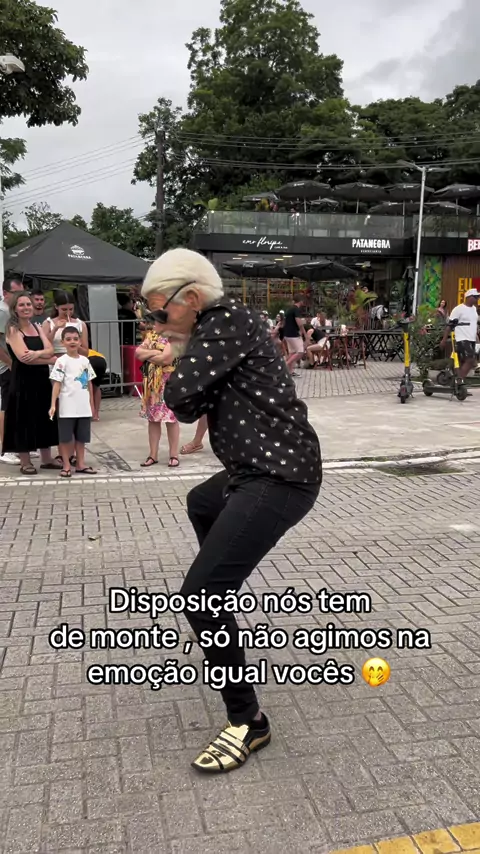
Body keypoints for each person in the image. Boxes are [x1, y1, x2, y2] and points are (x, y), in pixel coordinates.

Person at [141, 248, 321, 774]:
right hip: (252, 471)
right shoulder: (217, 330)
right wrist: (181, 353)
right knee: (201, 501)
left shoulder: (226, 321)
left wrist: (175, 358)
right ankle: (220, 585)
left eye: (161, 312)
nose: (157, 323)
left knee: (199, 598)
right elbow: (189, 404)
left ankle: (249, 721)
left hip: (280, 475)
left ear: (193, 298)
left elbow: (181, 398)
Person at [2, 293, 60, 475]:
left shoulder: (37, 327)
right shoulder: (13, 330)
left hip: (41, 379)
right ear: (15, 309)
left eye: (28, 304)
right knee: (23, 418)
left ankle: (47, 459)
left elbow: (49, 348)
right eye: (22, 305)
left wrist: (37, 354)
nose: (26, 307)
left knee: (44, 416)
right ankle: (25, 461)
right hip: (22, 380)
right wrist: (49, 360)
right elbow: (23, 358)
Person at [49, 327, 97, 477]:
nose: (72, 342)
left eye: (75, 339)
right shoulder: (61, 361)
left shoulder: (85, 361)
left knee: (82, 437)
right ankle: (66, 465)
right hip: (67, 406)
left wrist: (92, 404)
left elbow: (89, 383)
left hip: (83, 406)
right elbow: (56, 383)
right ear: (62, 342)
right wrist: (53, 404)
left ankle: (80, 463)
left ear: (80, 341)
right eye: (68, 339)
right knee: (65, 438)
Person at [135, 328, 180, 468]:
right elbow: (138, 353)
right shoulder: (152, 335)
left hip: (170, 383)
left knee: (171, 419)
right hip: (152, 384)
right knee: (153, 419)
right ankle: (153, 455)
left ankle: (174, 455)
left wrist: (148, 354)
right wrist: (156, 352)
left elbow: (166, 359)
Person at [0, 278, 25, 465]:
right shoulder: (3, 312)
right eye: (16, 293)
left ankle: (16, 446)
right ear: (5, 293)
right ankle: (5, 448)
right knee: (7, 406)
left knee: (15, 405)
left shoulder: (10, 312)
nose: (20, 297)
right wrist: (9, 363)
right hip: (6, 367)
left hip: (13, 364)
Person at [441, 288, 480, 379]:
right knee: (470, 360)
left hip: (471, 338)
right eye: (475, 297)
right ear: (468, 297)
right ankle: (460, 380)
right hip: (462, 338)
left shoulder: (474, 309)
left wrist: (477, 338)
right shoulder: (458, 309)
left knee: (462, 361)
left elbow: (473, 325)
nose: (477, 299)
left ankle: (454, 379)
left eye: (478, 297)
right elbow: (450, 325)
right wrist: (444, 340)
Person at [43, 290, 89, 361]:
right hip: (55, 360)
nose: (68, 312)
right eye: (64, 309)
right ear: (56, 307)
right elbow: (44, 346)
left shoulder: (81, 324)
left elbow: (85, 353)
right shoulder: (48, 323)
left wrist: (74, 345)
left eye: (71, 309)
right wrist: (55, 329)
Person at [283, 294, 307, 375]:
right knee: (300, 352)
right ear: (301, 301)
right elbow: (299, 323)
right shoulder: (296, 310)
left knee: (292, 352)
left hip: (287, 334)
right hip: (293, 334)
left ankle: (290, 371)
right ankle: (286, 365)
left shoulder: (289, 309)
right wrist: (304, 333)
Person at [87, 348, 107, 421]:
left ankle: (90, 413)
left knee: (88, 386)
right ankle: (96, 415)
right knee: (96, 386)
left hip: (90, 361)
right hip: (102, 360)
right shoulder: (89, 350)